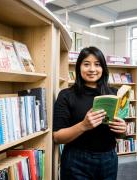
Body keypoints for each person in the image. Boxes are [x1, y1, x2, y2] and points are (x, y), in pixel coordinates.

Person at [53, 46, 127, 180]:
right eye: (86, 64)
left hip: (108, 159)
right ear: (79, 67)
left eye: (97, 64)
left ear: (103, 68)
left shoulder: (115, 94)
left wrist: (123, 129)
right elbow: (57, 137)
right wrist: (83, 125)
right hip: (76, 160)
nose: (92, 69)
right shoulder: (66, 95)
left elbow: (120, 133)